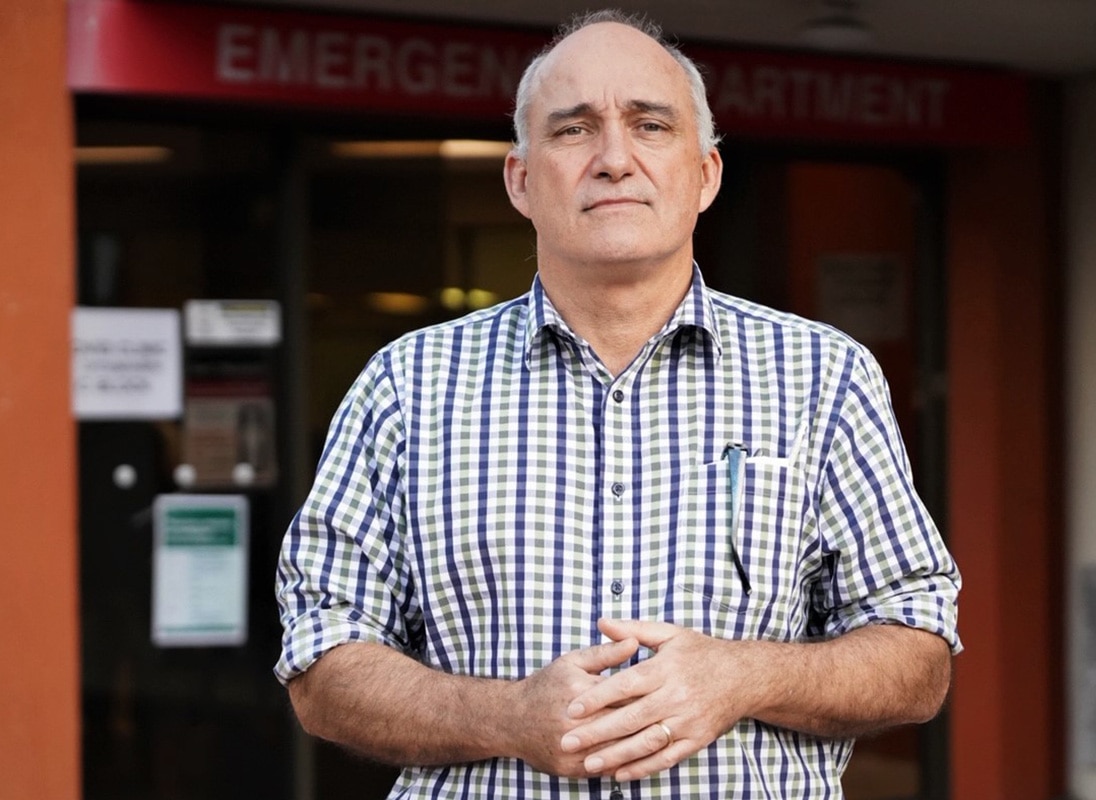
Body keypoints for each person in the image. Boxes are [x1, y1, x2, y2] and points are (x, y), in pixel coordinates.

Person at [275, 9, 961, 799]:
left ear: (705, 174)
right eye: (573, 130)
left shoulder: (823, 375)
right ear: (521, 180)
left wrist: (742, 676)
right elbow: (321, 660)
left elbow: (919, 654)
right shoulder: (408, 386)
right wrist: (508, 717)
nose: (614, 159)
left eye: (650, 125)